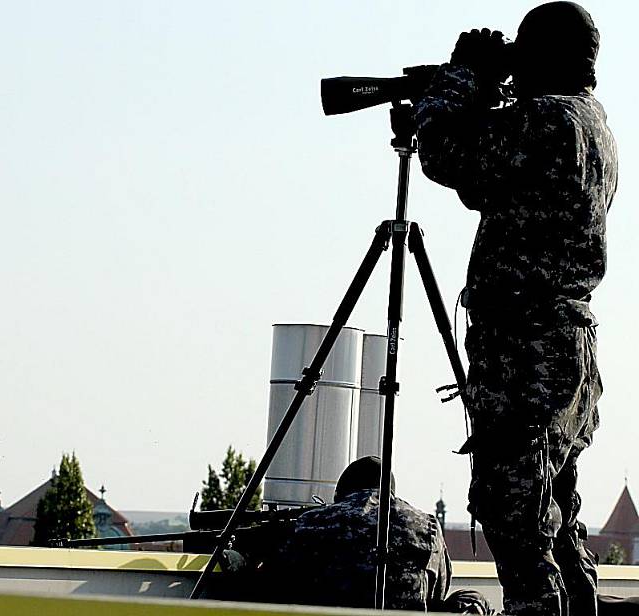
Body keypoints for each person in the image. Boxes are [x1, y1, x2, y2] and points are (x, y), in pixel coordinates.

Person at [414, 3, 618, 616]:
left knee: (513, 516)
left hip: (526, 348)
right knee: (553, 518)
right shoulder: (591, 124)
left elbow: (446, 154)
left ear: (545, 58)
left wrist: (462, 76)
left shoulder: (550, 121)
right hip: (562, 346)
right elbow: (485, 180)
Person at [260, 456, 489, 613]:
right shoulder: (425, 525)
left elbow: (278, 582)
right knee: (474, 600)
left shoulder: (313, 521)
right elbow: (437, 592)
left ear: (341, 493)